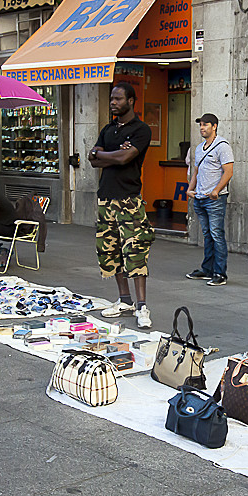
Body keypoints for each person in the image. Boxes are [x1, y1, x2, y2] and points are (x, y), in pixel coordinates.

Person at [89, 82, 155, 329]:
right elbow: (92, 159)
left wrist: (107, 155)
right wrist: (112, 154)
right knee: (111, 251)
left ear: (131, 101)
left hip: (129, 200)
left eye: (118, 99)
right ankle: (124, 300)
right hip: (106, 198)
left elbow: (126, 157)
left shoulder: (141, 129)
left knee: (135, 251)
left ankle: (142, 306)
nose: (113, 103)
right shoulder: (108, 129)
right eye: (112, 99)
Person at [185, 113, 234, 286]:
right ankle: (207, 269)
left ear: (214, 126)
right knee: (207, 235)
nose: (202, 128)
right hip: (199, 197)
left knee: (217, 235)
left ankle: (220, 273)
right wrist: (190, 189)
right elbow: (196, 171)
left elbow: (228, 172)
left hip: (215, 199)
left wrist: (216, 191)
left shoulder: (222, 146)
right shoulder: (199, 148)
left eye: (205, 125)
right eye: (200, 125)